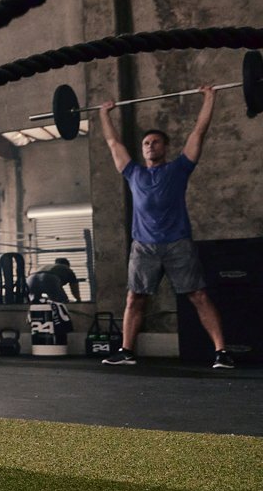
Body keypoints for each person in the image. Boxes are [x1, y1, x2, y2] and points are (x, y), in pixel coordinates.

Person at [97, 85, 233, 369]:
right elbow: (112, 143)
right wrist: (104, 114)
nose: (150, 146)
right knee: (135, 298)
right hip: (143, 246)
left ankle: (221, 352)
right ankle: (126, 351)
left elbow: (198, 132)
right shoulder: (133, 173)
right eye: (146, 143)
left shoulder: (179, 168)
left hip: (177, 243)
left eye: (156, 142)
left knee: (198, 295)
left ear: (165, 147)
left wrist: (210, 98)